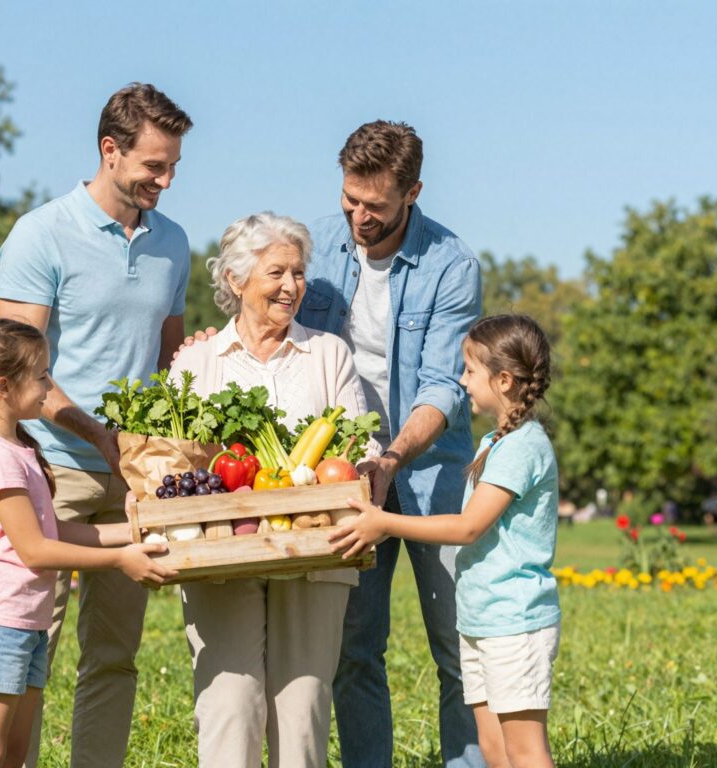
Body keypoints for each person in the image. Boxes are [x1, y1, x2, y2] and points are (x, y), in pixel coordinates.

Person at [0, 83, 193, 767]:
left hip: (135, 475)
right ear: (110, 151)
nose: (165, 181)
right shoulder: (41, 233)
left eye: (172, 168)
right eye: (153, 167)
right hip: (52, 466)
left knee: (114, 654)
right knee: (26, 646)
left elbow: (172, 358)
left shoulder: (173, 243)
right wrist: (95, 434)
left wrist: (159, 448)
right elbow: (17, 369)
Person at [295, 120, 483, 767]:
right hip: (342, 473)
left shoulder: (451, 265)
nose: (359, 217)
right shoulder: (315, 245)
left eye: (375, 205)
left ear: (413, 192)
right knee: (354, 647)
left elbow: (443, 387)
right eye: (350, 200)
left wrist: (392, 456)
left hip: (432, 475)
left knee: (460, 647)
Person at [170, 212, 378, 767]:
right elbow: (170, 463)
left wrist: (357, 472)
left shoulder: (328, 353)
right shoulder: (196, 361)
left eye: (299, 273)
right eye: (276, 272)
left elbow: (361, 447)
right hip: (219, 555)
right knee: (229, 707)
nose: (292, 287)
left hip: (316, 551)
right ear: (236, 281)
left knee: (304, 708)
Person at [0, 318, 175, 768]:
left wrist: (136, 531)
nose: (50, 386)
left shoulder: (21, 450)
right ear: (4, 387)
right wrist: (119, 561)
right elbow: (36, 551)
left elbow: (55, 533)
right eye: (42, 375)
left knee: (13, 754)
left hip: (24, 622)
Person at [330, 314, 561, 768]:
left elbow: (467, 527)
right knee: (494, 750)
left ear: (505, 380)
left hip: (515, 622)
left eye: (471, 371)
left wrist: (385, 523)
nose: (462, 381)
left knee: (526, 751)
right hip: (482, 618)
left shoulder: (522, 447)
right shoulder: (494, 441)